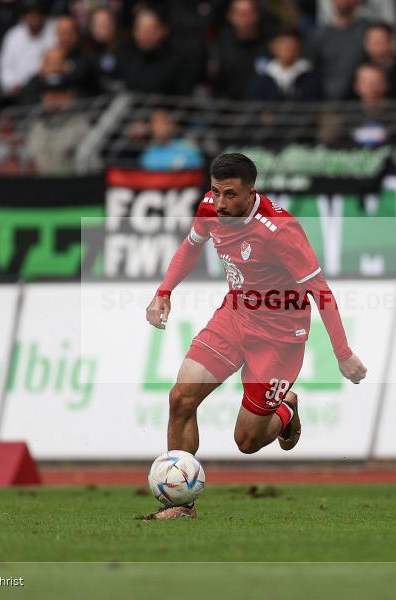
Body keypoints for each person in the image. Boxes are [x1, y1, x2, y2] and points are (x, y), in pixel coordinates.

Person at [144, 153, 367, 519]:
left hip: (279, 337)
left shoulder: (280, 231)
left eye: (230, 194)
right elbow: (190, 246)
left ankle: (286, 407)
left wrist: (342, 353)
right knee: (181, 398)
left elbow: (321, 291)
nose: (220, 203)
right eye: (215, 192)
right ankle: (181, 506)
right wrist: (164, 291)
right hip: (234, 316)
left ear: (251, 192)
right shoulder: (209, 209)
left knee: (246, 441)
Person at [211, 0, 269, 100]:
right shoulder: (219, 44)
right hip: (227, 107)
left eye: (248, 13)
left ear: (257, 15)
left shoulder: (270, 44)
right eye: (239, 14)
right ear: (229, 16)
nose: (244, 19)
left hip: (262, 108)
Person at [311, 0, 369, 100]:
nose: (344, 2)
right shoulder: (320, 34)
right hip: (330, 100)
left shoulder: (367, 30)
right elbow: (314, 68)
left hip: (362, 101)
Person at [0, 0, 56, 98]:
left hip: (47, 89)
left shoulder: (53, 32)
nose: (35, 19)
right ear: (23, 17)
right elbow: (5, 69)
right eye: (31, 15)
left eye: (38, 15)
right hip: (18, 91)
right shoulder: (13, 36)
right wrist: (11, 84)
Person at [246, 28, 322, 102]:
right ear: (273, 48)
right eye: (283, 47)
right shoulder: (263, 75)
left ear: (299, 48)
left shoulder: (309, 75)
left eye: (291, 47)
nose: (287, 51)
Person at [139, 109, 203, 171]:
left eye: (163, 122)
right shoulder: (148, 154)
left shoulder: (188, 147)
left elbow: (198, 171)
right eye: (155, 123)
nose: (160, 127)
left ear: (172, 125)